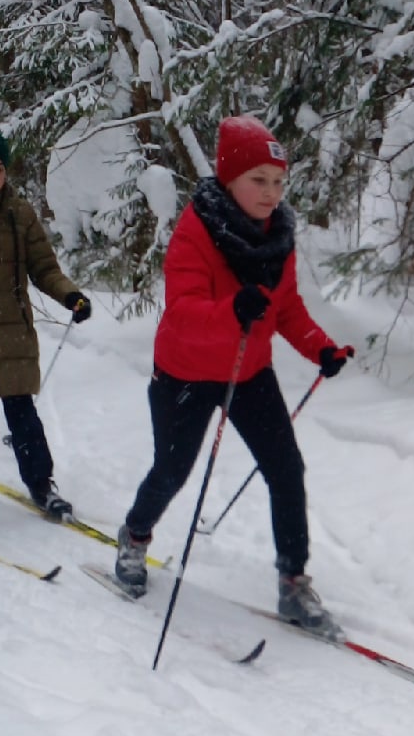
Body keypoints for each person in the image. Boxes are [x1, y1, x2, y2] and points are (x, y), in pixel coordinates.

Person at [115, 114, 354, 635]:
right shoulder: (196, 232)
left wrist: (323, 350)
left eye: (278, 182)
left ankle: (293, 582)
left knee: (286, 470)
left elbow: (286, 309)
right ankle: (134, 538)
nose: (271, 194)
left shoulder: (278, 237)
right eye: (258, 181)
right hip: (184, 373)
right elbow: (182, 312)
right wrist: (231, 311)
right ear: (230, 180)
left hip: (249, 372)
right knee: (172, 472)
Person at [0, 127, 92, 519]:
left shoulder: (20, 214)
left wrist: (70, 295)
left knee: (23, 416)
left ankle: (41, 485)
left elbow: (45, 268)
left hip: (11, 333)